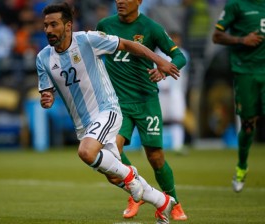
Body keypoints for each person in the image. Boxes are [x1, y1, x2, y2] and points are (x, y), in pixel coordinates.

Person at [37, 2, 180, 223]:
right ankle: (162, 201)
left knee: (86, 153)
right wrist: (47, 99)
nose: (48, 30)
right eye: (45, 25)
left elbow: (131, 45)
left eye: (53, 24)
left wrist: (160, 61)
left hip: (108, 110)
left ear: (68, 26)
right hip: (83, 124)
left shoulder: (87, 40)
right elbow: (47, 94)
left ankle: (131, 174)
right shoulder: (43, 58)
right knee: (113, 176)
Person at [96, 0, 188, 220]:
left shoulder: (151, 28)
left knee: (155, 157)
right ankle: (134, 192)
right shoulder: (104, 25)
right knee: (112, 156)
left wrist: (164, 71)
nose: (120, 1)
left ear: (139, 1)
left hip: (146, 102)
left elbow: (179, 57)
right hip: (117, 104)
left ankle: (174, 202)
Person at [212, 0, 265, 193]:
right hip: (246, 71)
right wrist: (242, 40)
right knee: (249, 123)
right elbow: (216, 36)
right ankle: (242, 165)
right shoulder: (236, 4)